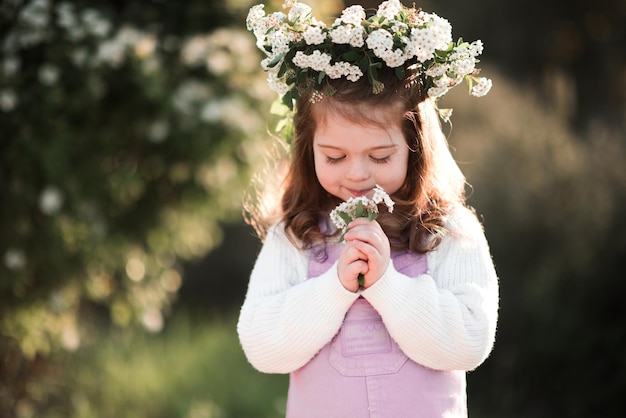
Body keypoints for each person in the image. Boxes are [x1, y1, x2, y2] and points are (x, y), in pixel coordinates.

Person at [238, 1, 499, 416]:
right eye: (335, 157)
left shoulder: (447, 229)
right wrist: (333, 288)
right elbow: (261, 346)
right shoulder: (296, 235)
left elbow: (469, 341)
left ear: (415, 149)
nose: (357, 174)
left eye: (379, 157)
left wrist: (388, 285)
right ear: (309, 151)